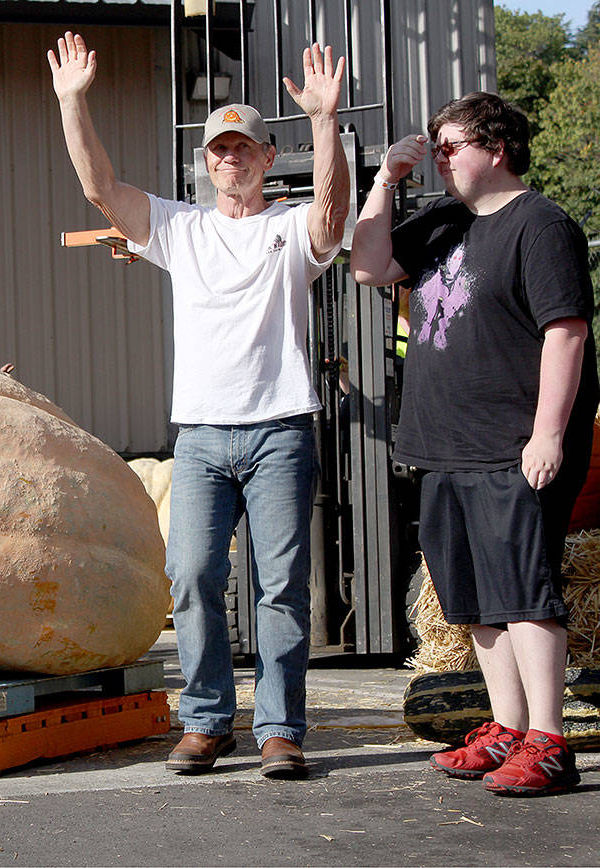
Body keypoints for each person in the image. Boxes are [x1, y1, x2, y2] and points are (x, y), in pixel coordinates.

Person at [49, 33, 350, 778]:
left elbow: (332, 213)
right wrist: (71, 100)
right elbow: (98, 188)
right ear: (206, 161)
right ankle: (209, 721)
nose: (231, 159)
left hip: (280, 428)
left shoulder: (287, 228)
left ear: (265, 158)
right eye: (220, 149)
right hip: (204, 436)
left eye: (244, 147)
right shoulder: (180, 228)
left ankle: (280, 729)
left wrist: (325, 120)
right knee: (189, 574)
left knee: (280, 587)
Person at [351, 92, 598, 796]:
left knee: (525, 594)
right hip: (444, 447)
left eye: (451, 145)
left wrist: (548, 433)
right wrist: (384, 182)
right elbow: (368, 266)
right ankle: (508, 728)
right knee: (477, 601)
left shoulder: (541, 225)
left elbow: (567, 331)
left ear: (496, 148)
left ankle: (550, 741)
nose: (440, 157)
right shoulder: (442, 222)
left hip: (511, 444)